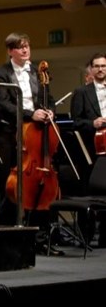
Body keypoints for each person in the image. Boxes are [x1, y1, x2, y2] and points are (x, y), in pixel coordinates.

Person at [0, 32, 60, 255]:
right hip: (9, 133)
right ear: (10, 50)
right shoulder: (0, 73)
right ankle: (6, 239)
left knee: (39, 182)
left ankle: (40, 238)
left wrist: (50, 110)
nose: (25, 50)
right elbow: (4, 104)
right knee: (8, 185)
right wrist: (31, 113)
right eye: (20, 47)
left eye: (27, 46)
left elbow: (49, 98)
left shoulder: (38, 71)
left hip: (36, 133)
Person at [70, 52, 106, 246]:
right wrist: (93, 123)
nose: (101, 69)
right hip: (91, 149)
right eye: (97, 66)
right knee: (88, 191)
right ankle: (86, 234)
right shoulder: (82, 92)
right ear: (91, 69)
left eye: (104, 66)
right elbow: (75, 122)